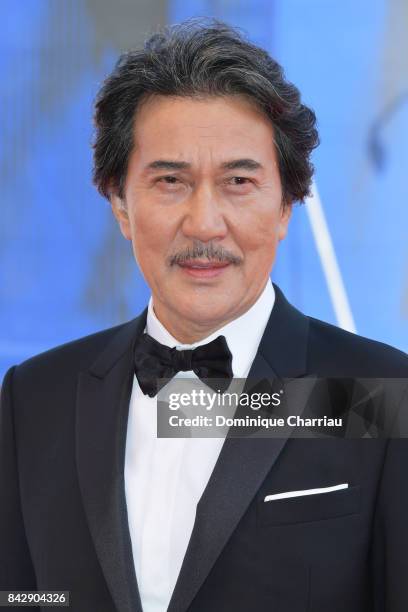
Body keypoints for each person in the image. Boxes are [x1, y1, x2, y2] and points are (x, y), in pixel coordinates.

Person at [1, 18, 407, 612]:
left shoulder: (376, 393)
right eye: (170, 181)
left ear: (287, 204)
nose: (204, 223)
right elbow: (24, 598)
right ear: (119, 202)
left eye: (239, 181)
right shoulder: (34, 399)